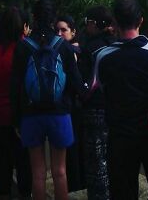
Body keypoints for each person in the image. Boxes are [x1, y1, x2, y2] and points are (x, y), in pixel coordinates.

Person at [10, 0, 85, 200]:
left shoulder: (23, 47)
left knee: (38, 173)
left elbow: (15, 86)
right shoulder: (64, 47)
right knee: (60, 172)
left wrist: (17, 118)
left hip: (31, 114)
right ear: (53, 20)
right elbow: (77, 83)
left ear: (33, 18)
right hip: (59, 114)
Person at [94, 0, 148, 200]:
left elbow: (101, 88)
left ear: (115, 24)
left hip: (120, 137)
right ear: (141, 21)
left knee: (122, 192)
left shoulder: (104, 57)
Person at [0, 6, 31, 200]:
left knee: (3, 157)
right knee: (23, 158)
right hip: (20, 112)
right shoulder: (25, 48)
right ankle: (24, 192)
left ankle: (3, 192)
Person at [77, 5, 114, 200]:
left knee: (96, 162)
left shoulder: (91, 48)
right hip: (116, 110)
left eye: (88, 22)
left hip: (94, 110)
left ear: (96, 24)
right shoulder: (116, 44)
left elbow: (84, 81)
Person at [55, 14, 84, 193]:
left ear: (73, 32)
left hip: (74, 108)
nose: (59, 34)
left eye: (63, 30)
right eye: (57, 30)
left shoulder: (74, 52)